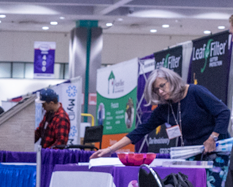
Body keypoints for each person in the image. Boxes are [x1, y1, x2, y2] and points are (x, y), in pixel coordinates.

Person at [91, 67, 230, 159]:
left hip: (216, 149)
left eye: (162, 86)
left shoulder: (195, 92)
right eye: (156, 90)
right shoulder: (164, 108)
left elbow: (224, 112)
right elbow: (140, 131)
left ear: (172, 81)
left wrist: (213, 138)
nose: (160, 92)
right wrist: (109, 150)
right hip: (193, 151)